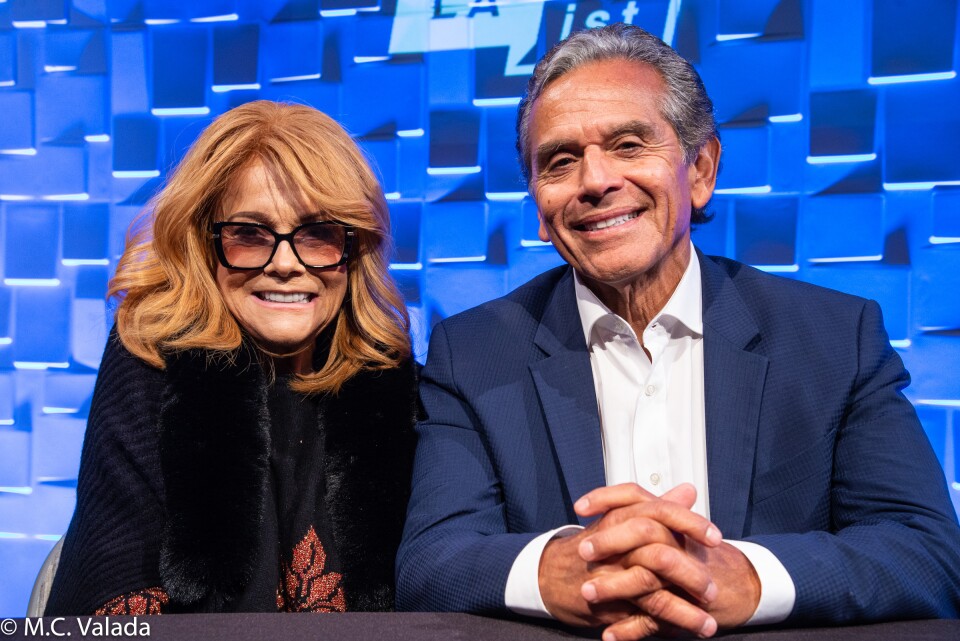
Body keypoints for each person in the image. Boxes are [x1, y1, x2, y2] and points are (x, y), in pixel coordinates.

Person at [396, 23, 960, 640]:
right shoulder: (474, 352)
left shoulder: (834, 336)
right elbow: (432, 561)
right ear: (537, 204)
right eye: (559, 161)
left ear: (701, 169)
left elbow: (926, 553)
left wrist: (744, 577)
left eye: (629, 145)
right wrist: (566, 569)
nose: (594, 181)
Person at [45, 101, 417, 615]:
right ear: (204, 244)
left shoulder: (397, 387)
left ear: (354, 250)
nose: (285, 264)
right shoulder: (150, 367)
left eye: (318, 233)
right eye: (249, 235)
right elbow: (107, 601)